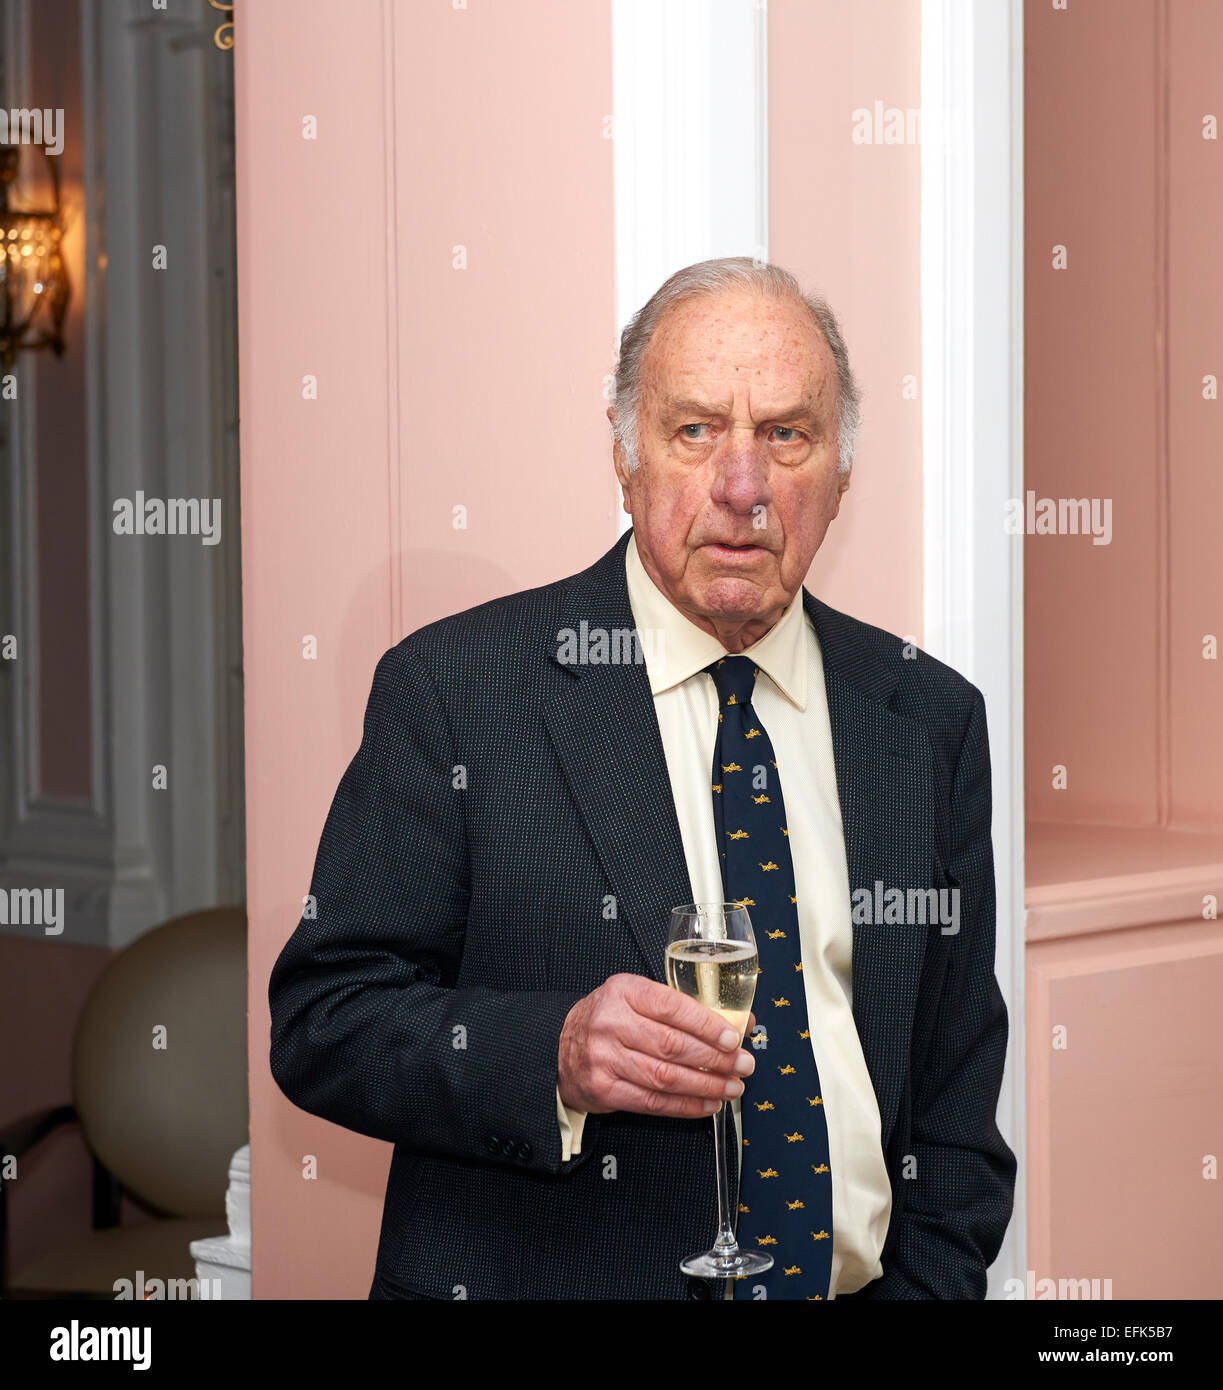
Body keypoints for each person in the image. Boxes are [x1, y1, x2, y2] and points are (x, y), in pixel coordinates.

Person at [268, 256, 1016, 1301]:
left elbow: (953, 1098)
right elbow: (325, 1020)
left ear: (840, 476)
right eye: (695, 431)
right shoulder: (455, 691)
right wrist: (557, 1053)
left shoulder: (926, 719)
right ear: (625, 459)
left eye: (786, 435)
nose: (741, 486)